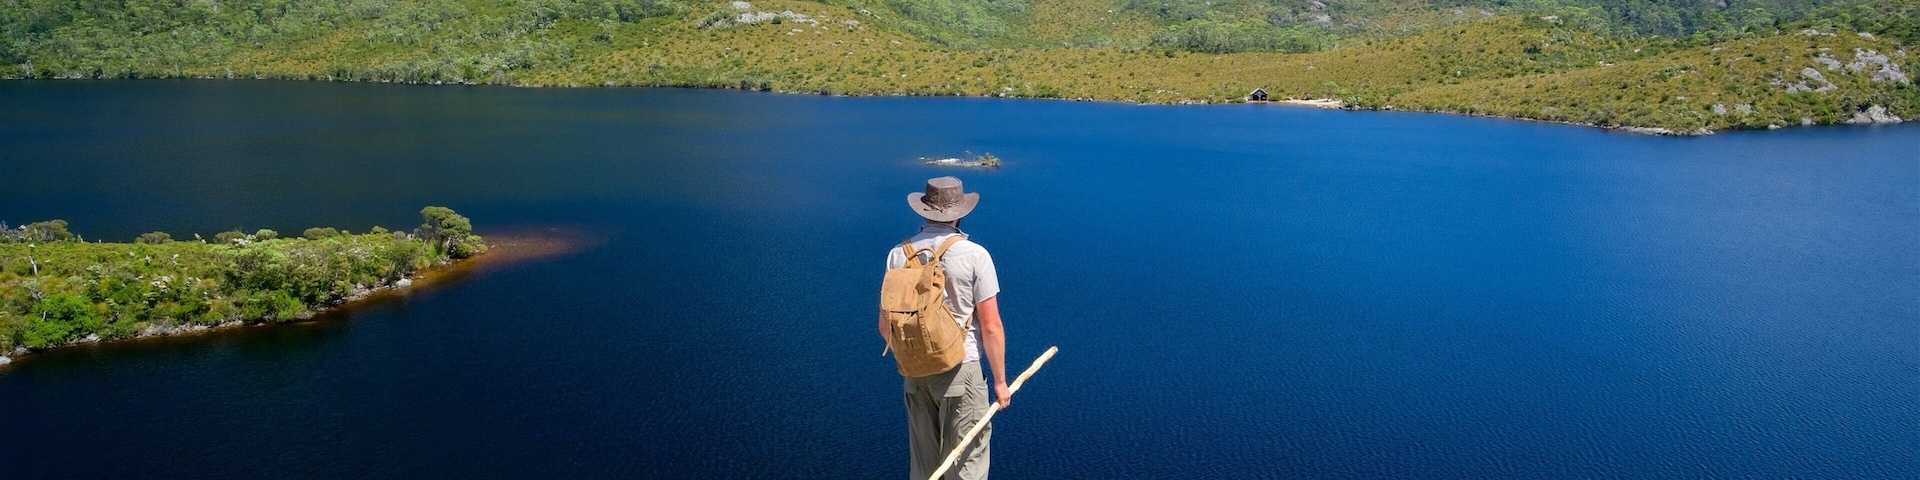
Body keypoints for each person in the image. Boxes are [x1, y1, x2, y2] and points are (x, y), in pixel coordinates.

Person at [885, 176, 1009, 480]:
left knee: (925, 468)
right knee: (966, 465)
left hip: (915, 373)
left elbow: (885, 326)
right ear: (960, 212)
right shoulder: (975, 255)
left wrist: (915, 359)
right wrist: (1000, 383)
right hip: (961, 370)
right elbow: (991, 326)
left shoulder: (899, 254)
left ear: (925, 210)